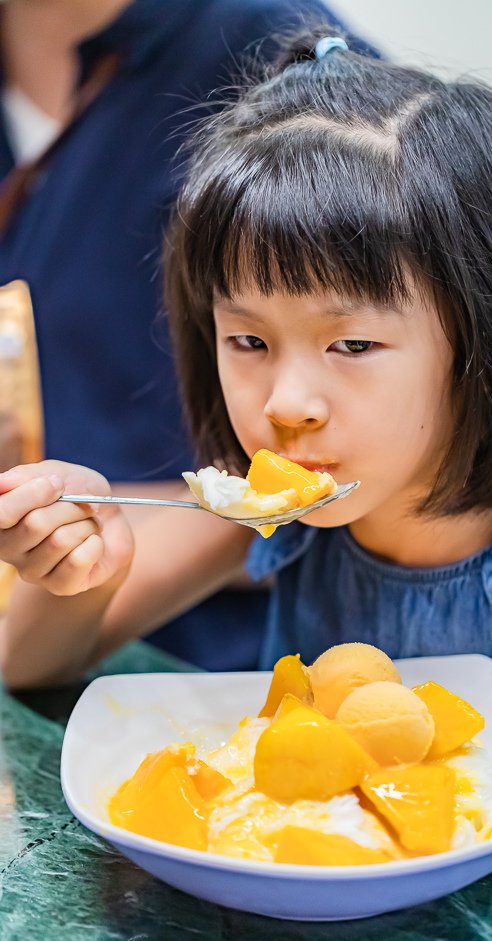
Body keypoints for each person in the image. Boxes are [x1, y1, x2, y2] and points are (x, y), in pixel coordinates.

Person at [0, 32, 492, 869]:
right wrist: (84, 572)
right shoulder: (269, 519)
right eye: (248, 341)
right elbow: (27, 663)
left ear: (490, 340)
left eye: (353, 345)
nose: (286, 405)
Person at [0, 0, 363, 670]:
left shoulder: (292, 73)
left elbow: (361, 486)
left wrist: (96, 533)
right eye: (246, 342)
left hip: (222, 662)